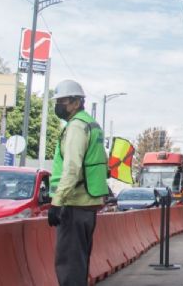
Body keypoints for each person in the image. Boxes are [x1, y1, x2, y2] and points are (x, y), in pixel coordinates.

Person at [47, 80, 109, 286]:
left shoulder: (76, 127)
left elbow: (71, 168)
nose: (59, 105)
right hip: (86, 204)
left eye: (63, 101)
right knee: (78, 262)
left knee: (69, 264)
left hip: (74, 203)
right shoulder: (91, 124)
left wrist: (57, 201)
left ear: (76, 102)